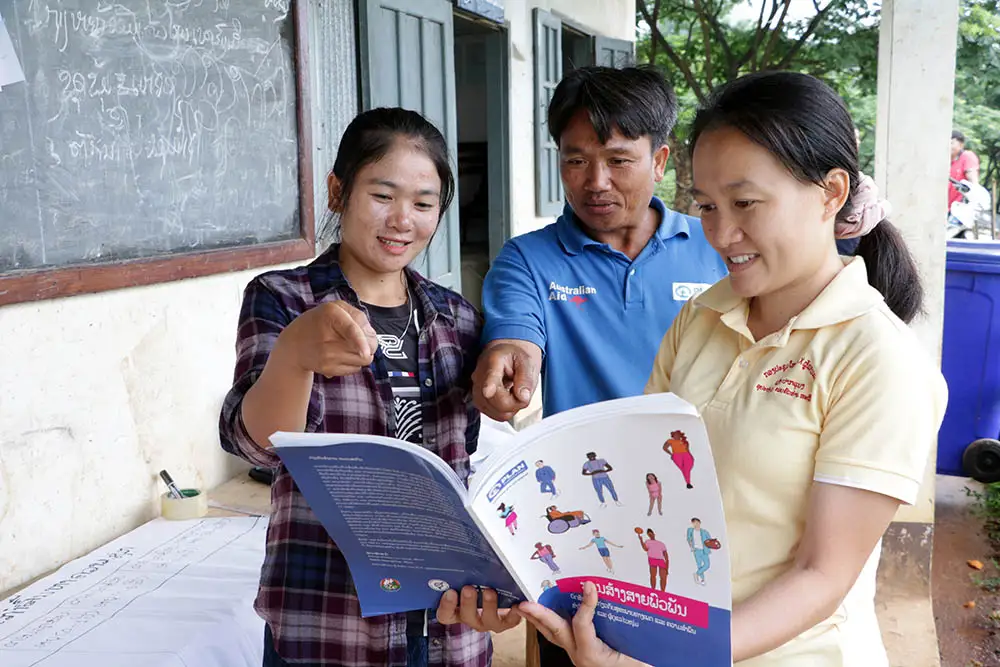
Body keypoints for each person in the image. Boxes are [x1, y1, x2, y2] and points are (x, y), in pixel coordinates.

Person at [517, 71, 947, 666]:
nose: (721, 233)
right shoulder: (701, 318)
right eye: (707, 206)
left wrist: (664, 659)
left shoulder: (877, 360)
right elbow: (648, 496)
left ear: (830, 192)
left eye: (746, 203)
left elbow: (821, 576)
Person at [218, 107, 519, 667]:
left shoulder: (457, 318)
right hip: (327, 620)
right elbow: (256, 444)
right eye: (383, 195)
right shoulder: (284, 299)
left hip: (445, 625)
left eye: (424, 204)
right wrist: (294, 356)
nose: (403, 220)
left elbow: (463, 474)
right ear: (338, 192)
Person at [472, 65, 727, 423]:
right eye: (576, 161)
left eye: (618, 161)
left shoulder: (719, 246)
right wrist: (509, 363)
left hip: (699, 465)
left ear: (658, 162)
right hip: (584, 470)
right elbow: (516, 340)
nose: (596, 182)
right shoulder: (527, 259)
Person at [948, 130, 980, 213]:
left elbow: (973, 180)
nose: (948, 146)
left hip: (959, 209)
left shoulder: (967, 156)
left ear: (961, 145)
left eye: (951, 143)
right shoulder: (946, 161)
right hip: (945, 207)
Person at [687, 518, 712, 585]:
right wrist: (691, 547)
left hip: (704, 550)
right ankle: (702, 579)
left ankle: (696, 574)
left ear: (699, 523)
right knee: (699, 565)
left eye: (697, 522)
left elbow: (710, 540)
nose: (696, 524)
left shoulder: (704, 532)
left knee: (707, 565)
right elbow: (689, 539)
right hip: (696, 550)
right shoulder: (690, 530)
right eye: (694, 523)